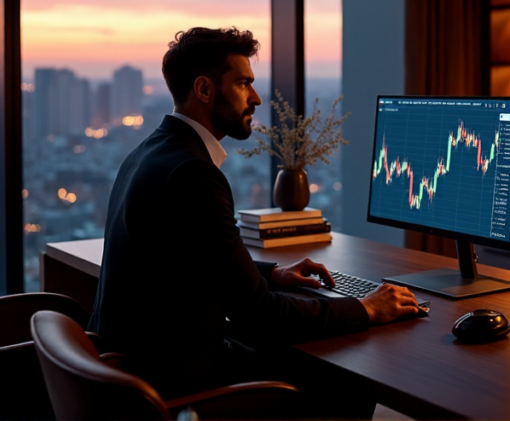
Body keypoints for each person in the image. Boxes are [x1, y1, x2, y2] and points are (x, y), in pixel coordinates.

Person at [88, 27, 422, 405]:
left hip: (136, 369)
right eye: (244, 83)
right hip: (175, 387)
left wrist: (269, 273)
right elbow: (261, 317)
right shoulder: (194, 174)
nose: (257, 98)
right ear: (204, 90)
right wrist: (365, 307)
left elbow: (192, 259)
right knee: (345, 387)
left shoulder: (149, 152)